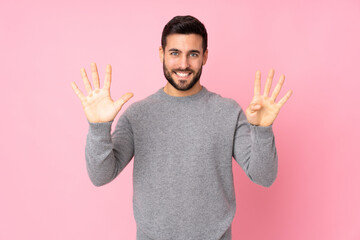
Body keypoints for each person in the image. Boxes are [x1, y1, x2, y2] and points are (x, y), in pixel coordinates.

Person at [70, 15, 292, 240]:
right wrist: (98, 127)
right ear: (161, 54)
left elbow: (264, 176)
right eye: (175, 53)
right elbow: (100, 176)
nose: (183, 64)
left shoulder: (228, 112)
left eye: (193, 54)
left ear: (205, 56)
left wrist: (262, 130)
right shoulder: (138, 115)